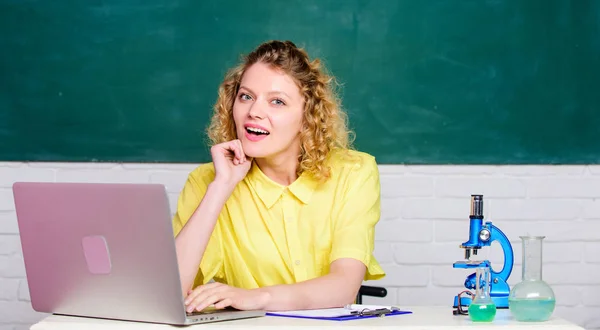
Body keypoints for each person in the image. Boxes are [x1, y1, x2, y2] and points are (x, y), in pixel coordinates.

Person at [172, 40, 385, 314]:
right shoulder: (207, 181)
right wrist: (221, 187)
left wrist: (254, 298)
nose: (254, 113)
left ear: (308, 117)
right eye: (246, 96)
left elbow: (344, 286)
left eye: (277, 101)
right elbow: (170, 294)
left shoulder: (354, 172)